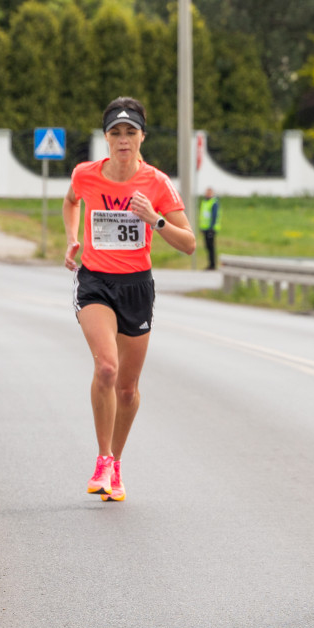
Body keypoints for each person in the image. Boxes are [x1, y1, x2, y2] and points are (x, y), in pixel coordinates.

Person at [63, 97, 195, 502]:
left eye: (130, 132)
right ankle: (102, 459)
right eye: (115, 132)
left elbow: (189, 244)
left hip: (136, 285)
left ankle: (116, 463)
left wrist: (153, 218)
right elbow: (71, 202)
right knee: (106, 367)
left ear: (142, 137)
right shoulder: (86, 174)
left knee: (127, 387)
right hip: (95, 281)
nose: (123, 140)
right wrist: (73, 239)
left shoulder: (156, 182)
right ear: (105, 138)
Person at [198, 187, 221, 270]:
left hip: (211, 229)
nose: (207, 194)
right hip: (205, 228)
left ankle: (213, 265)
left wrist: (211, 227)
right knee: (207, 247)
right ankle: (210, 264)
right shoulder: (204, 202)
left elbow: (214, 216)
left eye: (209, 192)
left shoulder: (213, 202)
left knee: (211, 247)